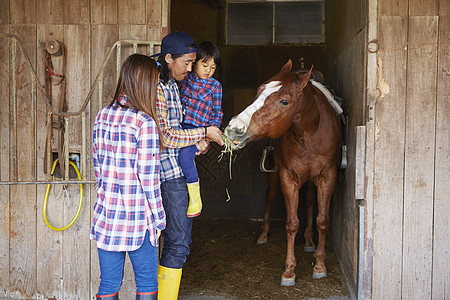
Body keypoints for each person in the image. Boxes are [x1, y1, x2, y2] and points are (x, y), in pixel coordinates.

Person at [151, 31, 224, 300]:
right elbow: (166, 135)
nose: (192, 69)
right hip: (168, 173)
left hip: (177, 169)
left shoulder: (174, 84)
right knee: (177, 243)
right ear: (168, 58)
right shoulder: (159, 87)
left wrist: (201, 137)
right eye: (187, 63)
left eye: (195, 62)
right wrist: (203, 132)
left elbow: (186, 125)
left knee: (177, 243)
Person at [90, 54, 165, 300]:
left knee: (109, 282)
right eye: (155, 83)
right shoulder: (144, 122)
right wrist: (159, 219)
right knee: (146, 282)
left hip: (106, 213)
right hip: (137, 218)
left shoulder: (102, 115)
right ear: (144, 84)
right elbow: (149, 179)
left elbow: (98, 167)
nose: (157, 88)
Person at [178, 40, 223, 218]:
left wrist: (209, 136)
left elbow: (217, 113)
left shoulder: (215, 86)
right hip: (180, 128)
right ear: (194, 63)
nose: (208, 71)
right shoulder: (184, 79)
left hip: (200, 131)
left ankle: (195, 197)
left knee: (185, 157)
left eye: (213, 67)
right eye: (204, 65)